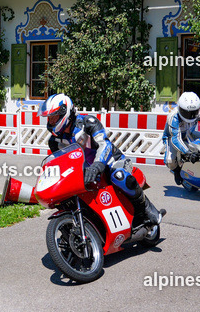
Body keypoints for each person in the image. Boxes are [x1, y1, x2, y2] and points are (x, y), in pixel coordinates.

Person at [41, 93, 163, 230]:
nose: (51, 121)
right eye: (49, 118)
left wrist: (97, 165)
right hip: (85, 172)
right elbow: (61, 163)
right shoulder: (54, 141)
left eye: (54, 117)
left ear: (65, 112)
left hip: (110, 161)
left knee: (119, 176)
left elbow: (104, 145)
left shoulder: (88, 123)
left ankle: (146, 208)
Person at [163, 91, 200, 186]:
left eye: (193, 112)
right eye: (186, 112)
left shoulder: (199, 113)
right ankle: (177, 171)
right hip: (172, 137)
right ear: (180, 108)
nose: (190, 115)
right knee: (170, 160)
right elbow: (176, 139)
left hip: (190, 133)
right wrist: (188, 152)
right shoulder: (173, 117)